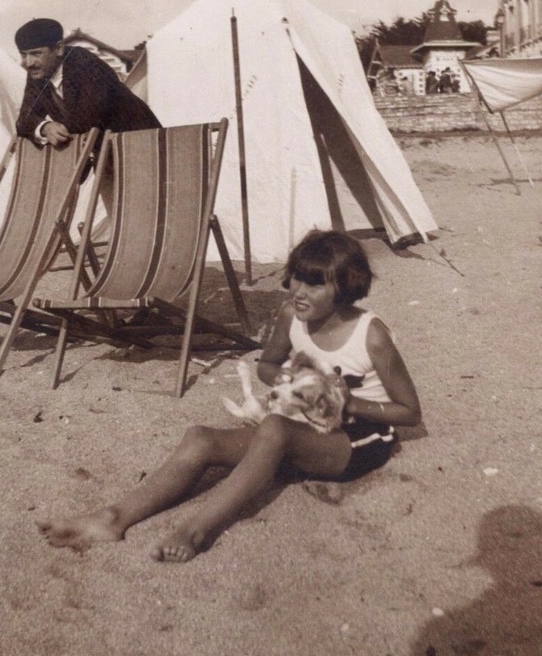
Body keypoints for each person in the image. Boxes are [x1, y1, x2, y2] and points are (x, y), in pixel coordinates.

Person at [39, 229, 422, 563]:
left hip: (359, 437)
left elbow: (409, 412)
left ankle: (196, 530)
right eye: (296, 280)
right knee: (201, 438)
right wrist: (288, 378)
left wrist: (345, 402)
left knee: (274, 428)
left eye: (315, 284)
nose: (300, 293)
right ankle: (114, 517)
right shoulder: (292, 317)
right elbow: (267, 366)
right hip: (307, 425)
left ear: (346, 289)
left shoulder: (371, 336)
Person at [14, 18, 160, 146]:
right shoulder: (39, 72)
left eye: (36, 53)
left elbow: (86, 122)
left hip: (141, 141)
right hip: (105, 149)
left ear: (58, 48)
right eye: (23, 55)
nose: (28, 62)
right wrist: (45, 127)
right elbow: (23, 121)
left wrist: (47, 127)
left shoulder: (84, 63)